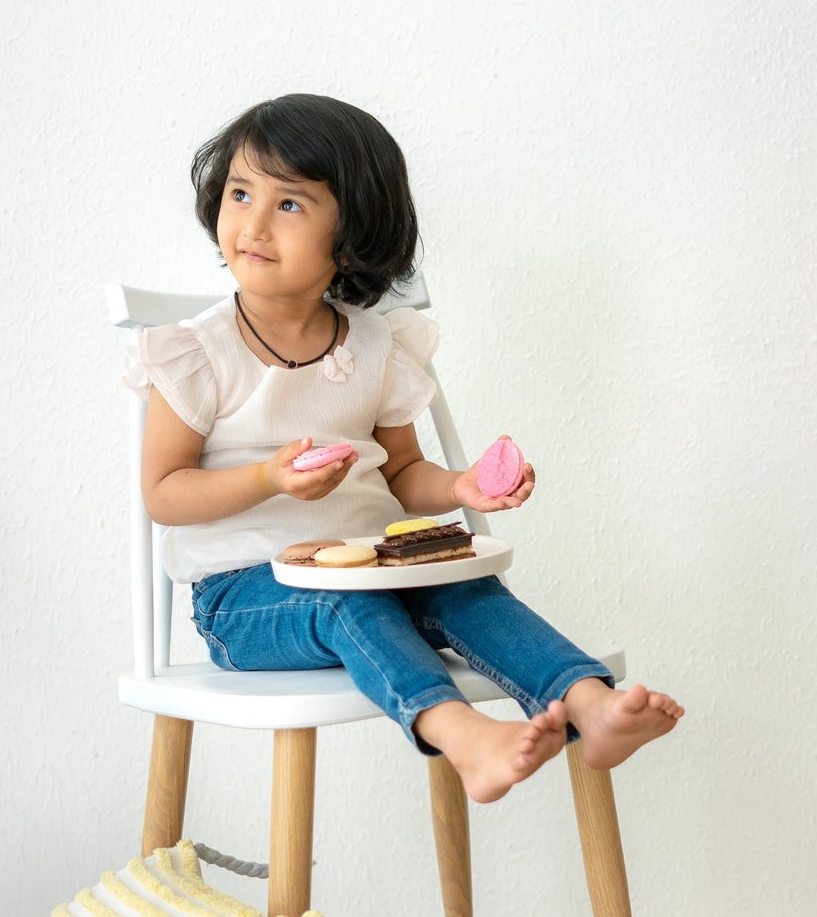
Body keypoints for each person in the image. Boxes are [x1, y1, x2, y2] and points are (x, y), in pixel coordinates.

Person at [127, 93, 683, 803]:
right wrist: (268, 477)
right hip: (246, 598)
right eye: (240, 193)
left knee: (464, 582)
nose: (254, 223)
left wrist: (459, 490)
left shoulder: (373, 346)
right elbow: (164, 493)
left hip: (371, 569)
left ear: (352, 232)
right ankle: (462, 736)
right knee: (345, 608)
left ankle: (588, 703)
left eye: (290, 205)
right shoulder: (197, 355)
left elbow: (404, 473)